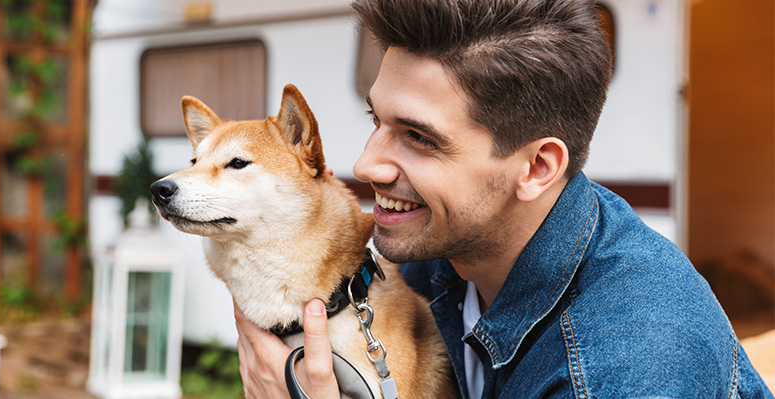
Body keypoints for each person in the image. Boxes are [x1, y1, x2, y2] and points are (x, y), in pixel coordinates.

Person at [235, 0, 774, 397]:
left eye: (420, 137)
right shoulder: (435, 259)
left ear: (538, 168)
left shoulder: (625, 366)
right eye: (376, 119)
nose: (365, 164)